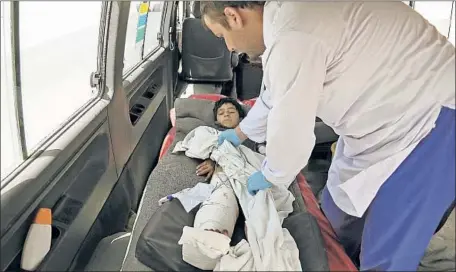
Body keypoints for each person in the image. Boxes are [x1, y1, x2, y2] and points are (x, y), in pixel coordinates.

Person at [199, 1, 455, 271]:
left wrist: (271, 174)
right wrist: (238, 134)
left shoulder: (294, 34)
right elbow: (273, 97)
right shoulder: (287, 23)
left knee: (387, 253)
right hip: (377, 124)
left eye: (221, 36)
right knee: (336, 214)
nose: (229, 48)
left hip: (430, 122)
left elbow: (291, 130)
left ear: (233, 16)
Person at [196, 97, 264, 181]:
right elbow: (211, 149)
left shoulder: (249, 134)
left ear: (240, 118)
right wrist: (213, 161)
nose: (226, 114)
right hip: (224, 172)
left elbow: (262, 153)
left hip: (251, 171)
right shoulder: (214, 134)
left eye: (231, 111)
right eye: (221, 113)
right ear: (216, 121)